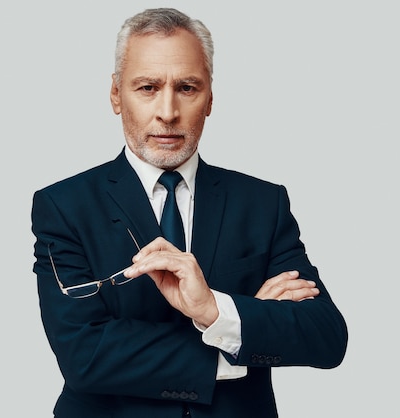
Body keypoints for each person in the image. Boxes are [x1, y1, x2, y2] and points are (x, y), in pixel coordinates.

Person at [32, 7, 348, 418]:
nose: (167, 111)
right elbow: (85, 356)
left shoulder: (262, 203)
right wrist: (237, 331)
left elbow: (325, 337)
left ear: (210, 97)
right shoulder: (64, 206)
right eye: (147, 87)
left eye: (187, 87)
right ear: (115, 94)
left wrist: (213, 309)